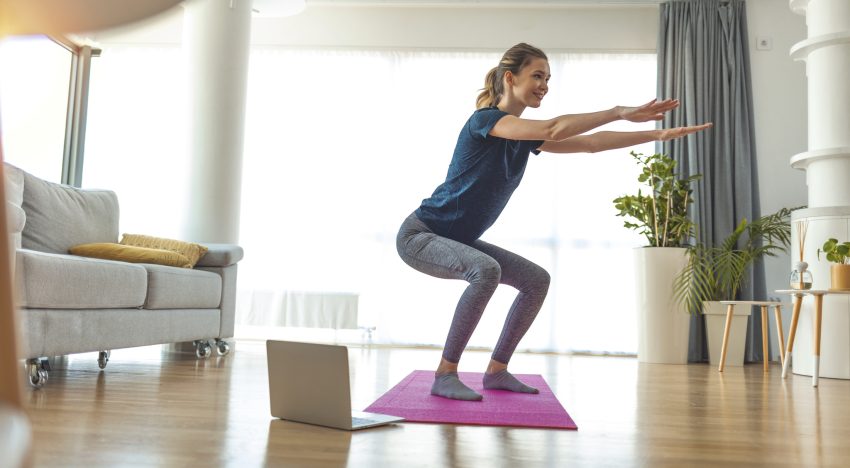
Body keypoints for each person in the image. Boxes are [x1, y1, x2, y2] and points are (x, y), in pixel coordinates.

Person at [396, 43, 712, 401]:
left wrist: (656, 135)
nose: (544, 85)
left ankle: (497, 371)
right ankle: (445, 373)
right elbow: (554, 127)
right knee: (485, 271)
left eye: (548, 78)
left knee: (535, 280)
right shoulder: (484, 121)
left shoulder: (523, 137)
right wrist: (618, 111)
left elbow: (590, 144)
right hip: (421, 235)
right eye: (537, 76)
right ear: (510, 78)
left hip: (458, 239)